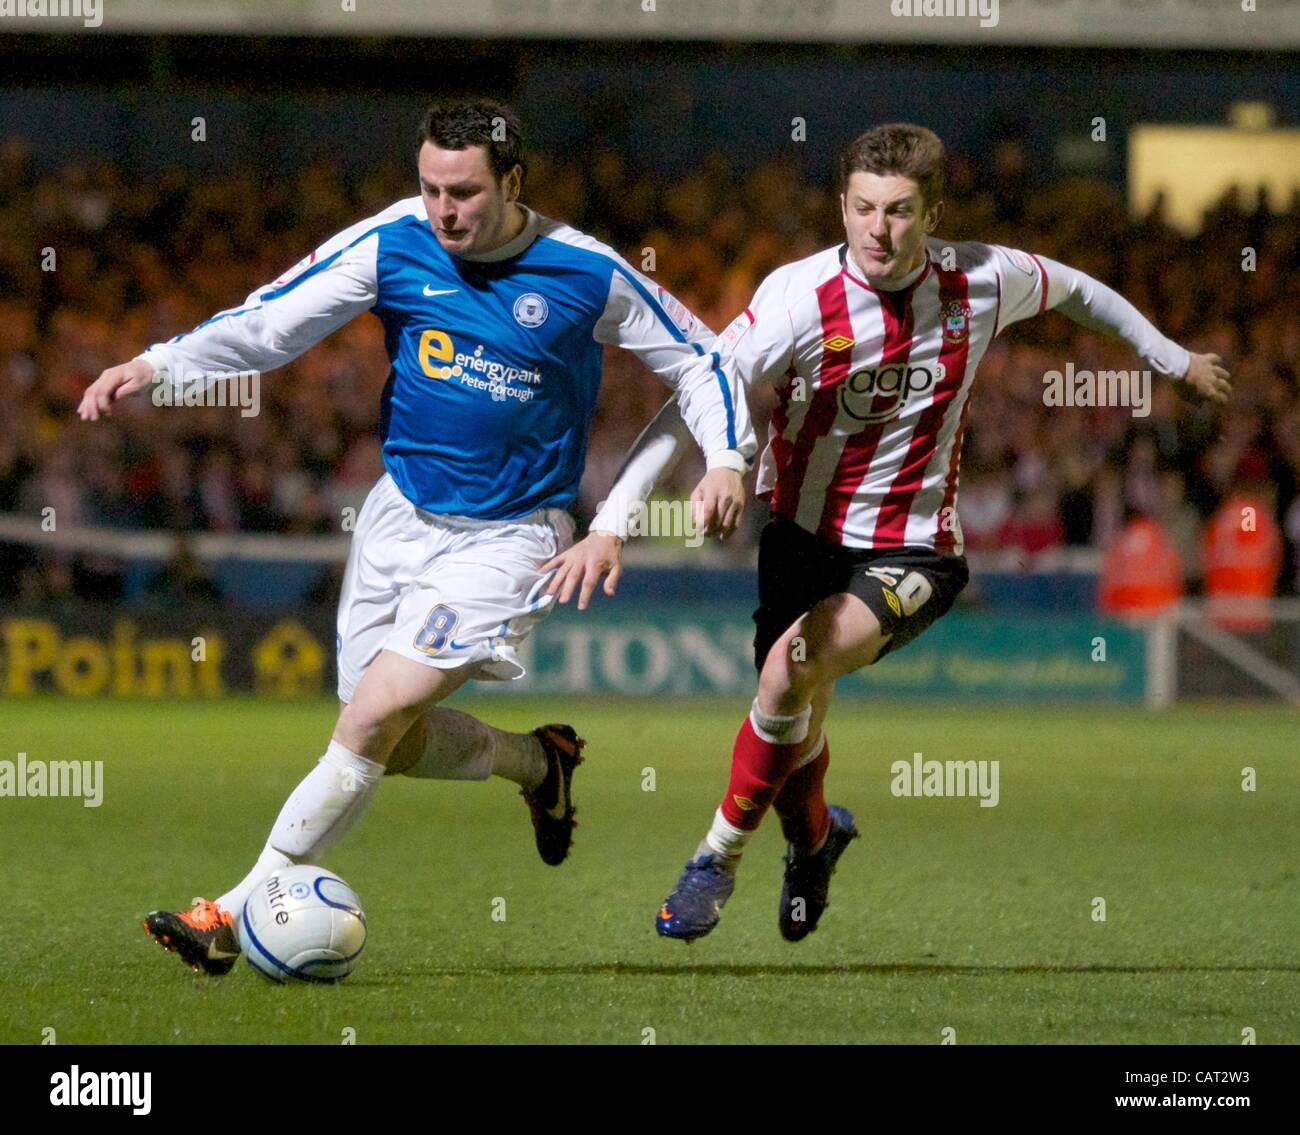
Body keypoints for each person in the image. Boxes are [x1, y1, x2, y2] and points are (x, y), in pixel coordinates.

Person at [78, 99, 751, 974]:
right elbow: (274, 320)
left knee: (373, 716)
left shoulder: (585, 272)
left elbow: (703, 361)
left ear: (513, 183)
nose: (445, 210)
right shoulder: (398, 239)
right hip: (396, 520)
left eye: (464, 192)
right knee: (378, 741)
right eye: (431, 188)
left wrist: (725, 459)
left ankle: (229, 912)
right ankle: (537, 762)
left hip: (510, 538)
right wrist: (159, 363)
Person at [547, 122, 1233, 943]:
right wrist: (616, 521)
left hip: (915, 549)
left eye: (902, 210)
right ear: (842, 205)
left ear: (933, 211)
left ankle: (714, 860)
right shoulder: (798, 299)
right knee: (795, 709)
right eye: (865, 208)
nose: (880, 228)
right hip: (800, 536)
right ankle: (814, 840)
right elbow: (695, 396)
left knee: (787, 672)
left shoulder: (983, 277)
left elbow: (1080, 288)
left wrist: (1168, 358)